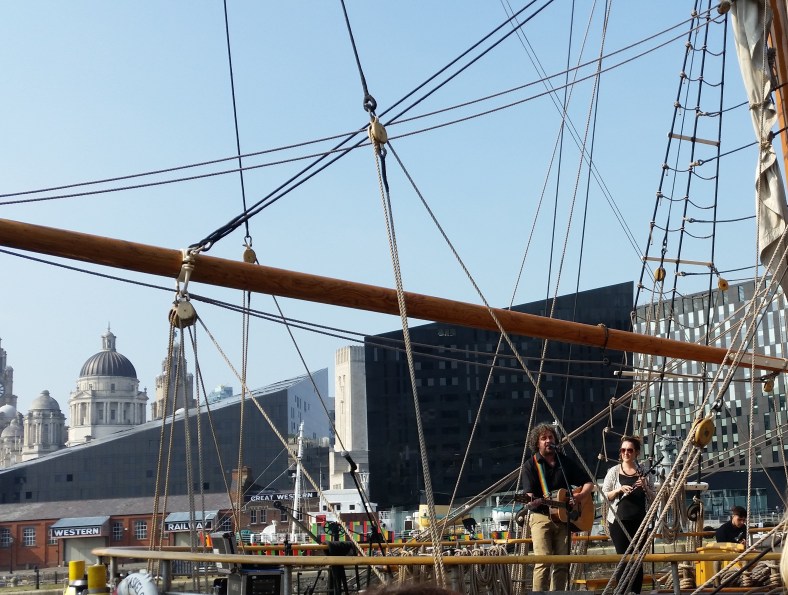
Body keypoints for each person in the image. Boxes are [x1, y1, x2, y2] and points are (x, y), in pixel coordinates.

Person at [521, 422, 594, 592]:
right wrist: (532, 501)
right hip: (540, 517)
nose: (548, 440)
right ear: (537, 443)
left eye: (550, 437)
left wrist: (580, 496)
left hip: (563, 519)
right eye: (543, 438)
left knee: (562, 563)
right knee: (543, 561)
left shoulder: (565, 461)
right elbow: (529, 496)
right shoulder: (530, 465)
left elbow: (588, 482)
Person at [602, 435, 655, 594]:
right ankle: (622, 591)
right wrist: (619, 489)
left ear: (636, 452)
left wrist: (645, 486)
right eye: (623, 450)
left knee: (637, 560)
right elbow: (604, 495)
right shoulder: (613, 472)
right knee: (623, 559)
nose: (626, 453)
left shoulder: (645, 472)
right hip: (619, 522)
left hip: (640, 521)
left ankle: (635, 592)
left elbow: (654, 497)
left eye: (629, 450)